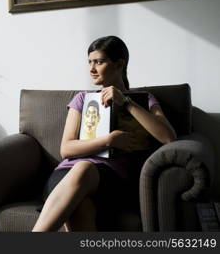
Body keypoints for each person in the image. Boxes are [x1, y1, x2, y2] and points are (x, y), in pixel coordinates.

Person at [32, 36, 177, 232]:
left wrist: (126, 102)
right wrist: (108, 141)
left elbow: (168, 137)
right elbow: (66, 149)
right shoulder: (82, 99)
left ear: (119, 64)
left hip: (112, 178)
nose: (91, 69)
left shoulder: (144, 100)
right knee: (81, 198)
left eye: (99, 62)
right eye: (89, 62)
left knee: (84, 172)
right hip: (66, 175)